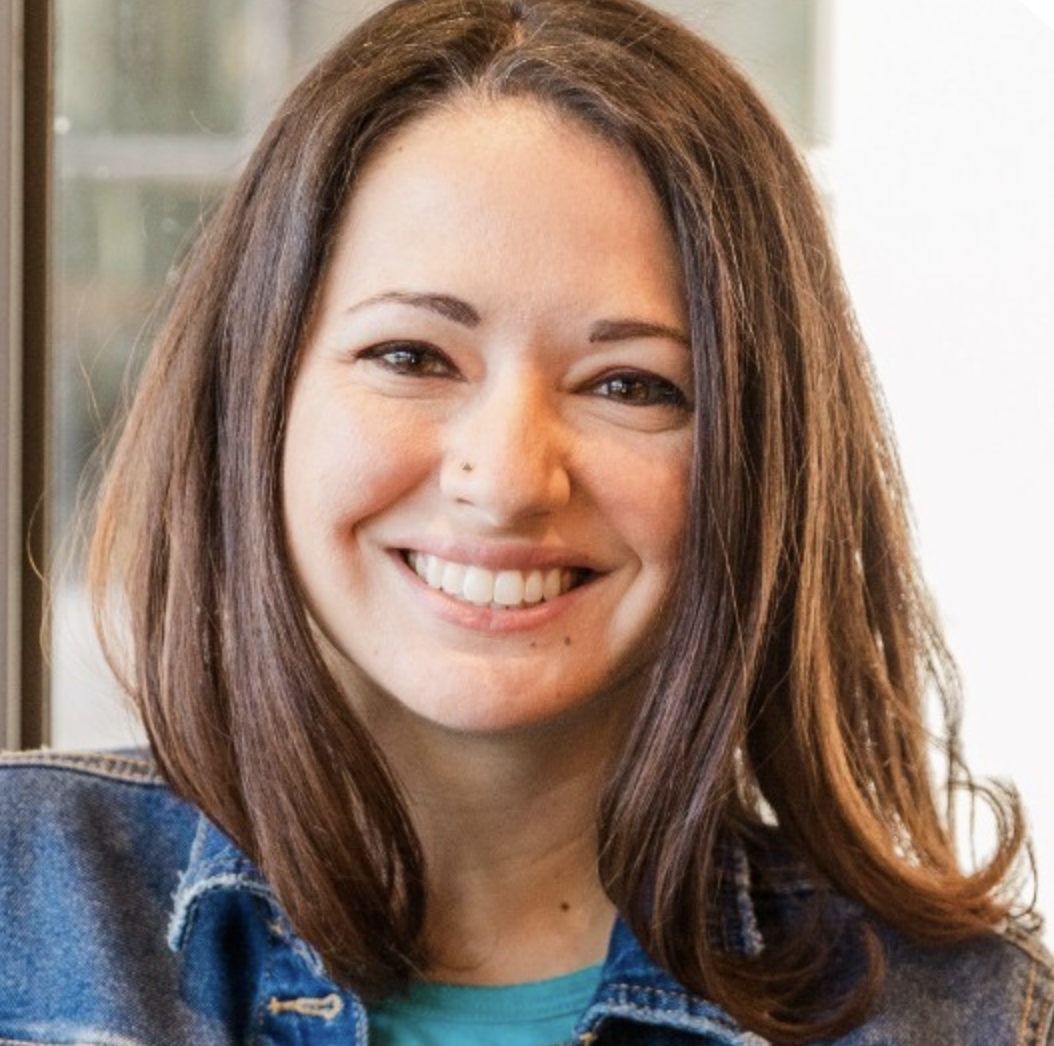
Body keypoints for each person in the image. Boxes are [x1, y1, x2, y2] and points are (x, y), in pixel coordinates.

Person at [1, 0, 1050, 1043]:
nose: (504, 480)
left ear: (759, 457)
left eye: (631, 383)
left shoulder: (969, 1017)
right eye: (411, 356)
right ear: (258, 393)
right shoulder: (23, 893)